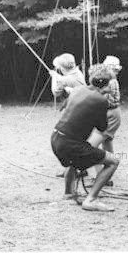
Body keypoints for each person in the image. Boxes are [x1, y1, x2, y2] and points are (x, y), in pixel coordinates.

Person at [51, 67, 120, 212]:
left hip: (56, 138)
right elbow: (102, 128)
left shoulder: (77, 90)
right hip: (70, 145)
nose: (111, 88)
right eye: (110, 84)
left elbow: (64, 108)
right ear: (103, 83)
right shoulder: (101, 101)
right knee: (113, 161)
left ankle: (69, 193)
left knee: (74, 158)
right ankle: (91, 200)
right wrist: (103, 104)